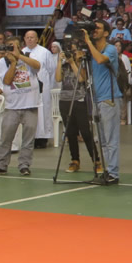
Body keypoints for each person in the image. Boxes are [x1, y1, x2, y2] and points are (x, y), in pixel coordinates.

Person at [0, 37, 41, 176]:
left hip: (30, 104)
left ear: (20, 47)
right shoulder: (3, 62)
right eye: (9, 47)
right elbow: (6, 81)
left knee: (28, 140)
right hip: (12, 106)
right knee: (6, 138)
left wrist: (19, 57)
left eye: (15, 46)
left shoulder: (28, 57)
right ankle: (1, 165)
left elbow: (37, 66)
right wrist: (13, 63)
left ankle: (24, 165)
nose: (12, 49)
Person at [83, 20, 122, 184]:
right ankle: (108, 170)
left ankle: (113, 173)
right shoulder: (92, 51)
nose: (94, 31)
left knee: (111, 139)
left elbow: (100, 60)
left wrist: (88, 43)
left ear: (106, 33)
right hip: (97, 99)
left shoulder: (110, 49)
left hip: (109, 99)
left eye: (97, 28)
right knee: (103, 140)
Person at [55, 43, 100, 173]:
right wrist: (60, 61)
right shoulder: (64, 66)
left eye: (74, 51)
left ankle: (96, 160)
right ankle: (75, 160)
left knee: (85, 132)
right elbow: (58, 78)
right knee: (70, 132)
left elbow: (81, 79)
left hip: (79, 101)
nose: (72, 54)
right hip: (64, 100)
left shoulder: (83, 64)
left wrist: (73, 62)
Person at [24, 30, 54, 148]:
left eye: (32, 37)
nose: (30, 39)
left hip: (43, 87)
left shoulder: (44, 52)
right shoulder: (22, 52)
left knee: (43, 111)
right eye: (28, 37)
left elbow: (51, 69)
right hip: (28, 88)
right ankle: (30, 137)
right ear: (24, 39)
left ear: (37, 39)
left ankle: (43, 137)